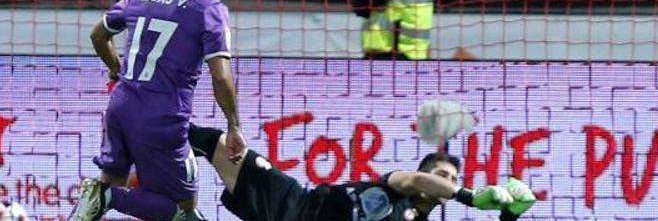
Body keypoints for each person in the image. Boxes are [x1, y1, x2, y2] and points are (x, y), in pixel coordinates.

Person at [71, 0, 248, 221]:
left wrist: (117, 70)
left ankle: (104, 193)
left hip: (120, 106)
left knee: (115, 189)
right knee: (182, 210)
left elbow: (98, 35)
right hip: (162, 119)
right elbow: (220, 76)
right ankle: (107, 195)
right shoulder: (209, 8)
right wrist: (233, 125)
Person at [186, 123, 536, 221]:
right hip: (297, 208)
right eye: (442, 176)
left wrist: (507, 216)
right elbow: (417, 180)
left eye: (454, 181)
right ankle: (145, 132)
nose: (447, 184)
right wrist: (468, 196)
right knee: (221, 146)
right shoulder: (400, 184)